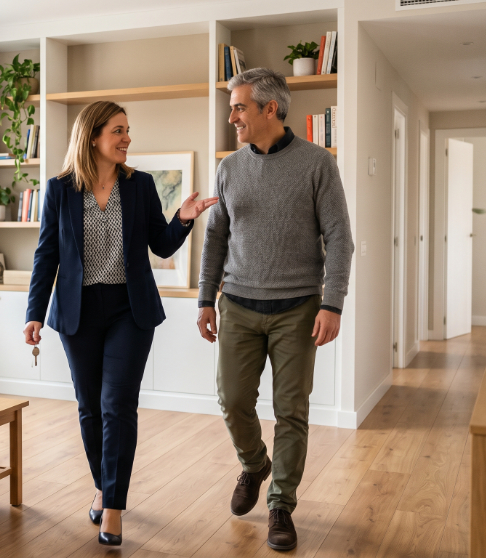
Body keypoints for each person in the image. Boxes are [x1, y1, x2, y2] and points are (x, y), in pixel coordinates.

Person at [24, 101, 217, 546]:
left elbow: (162, 245)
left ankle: (113, 508)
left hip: (131, 311)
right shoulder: (59, 190)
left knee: (117, 405)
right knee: (90, 407)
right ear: (93, 136)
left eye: (128, 130)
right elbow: (46, 255)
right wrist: (34, 313)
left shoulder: (140, 186)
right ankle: (103, 485)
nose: (127, 138)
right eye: (118, 130)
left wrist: (183, 220)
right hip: (79, 311)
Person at [197, 68, 354, 552]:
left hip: (298, 309)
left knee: (291, 411)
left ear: (271, 109)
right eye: (232, 107)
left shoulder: (316, 163)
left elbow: (340, 238)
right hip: (239, 304)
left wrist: (333, 302)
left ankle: (280, 504)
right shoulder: (229, 168)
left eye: (239, 106)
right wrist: (206, 297)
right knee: (232, 399)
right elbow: (216, 237)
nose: (232, 116)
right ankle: (254, 464)